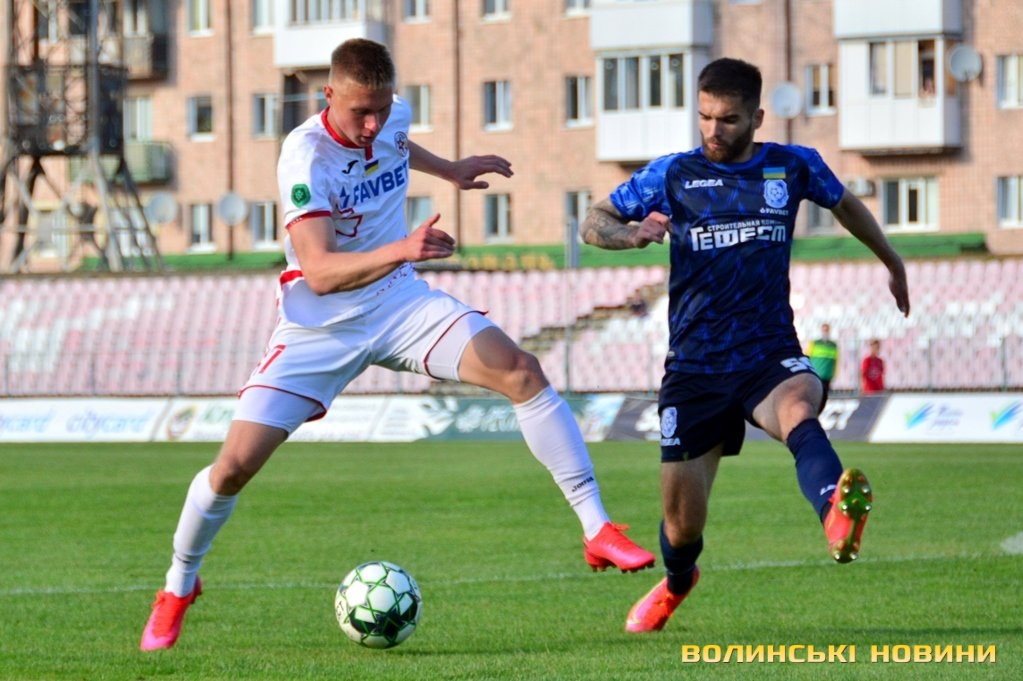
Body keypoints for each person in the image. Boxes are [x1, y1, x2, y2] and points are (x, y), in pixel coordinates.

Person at [139, 38, 654, 652]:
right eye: (360, 111)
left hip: (398, 303)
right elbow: (320, 272)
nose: (373, 124)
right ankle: (178, 585)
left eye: (382, 109)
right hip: (320, 326)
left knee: (521, 371)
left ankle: (597, 528)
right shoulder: (304, 157)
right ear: (328, 96)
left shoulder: (390, 118)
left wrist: (450, 170)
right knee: (232, 469)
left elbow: (398, 145)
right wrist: (403, 248)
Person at [579, 57, 910, 633]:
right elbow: (594, 220)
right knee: (681, 528)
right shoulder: (673, 174)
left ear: (756, 117)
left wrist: (891, 259)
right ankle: (678, 582)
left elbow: (846, 204)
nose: (713, 130)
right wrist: (631, 234)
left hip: (766, 350)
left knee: (799, 404)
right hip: (695, 366)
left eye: (728, 119)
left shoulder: (793, 166)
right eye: (705, 116)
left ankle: (835, 509)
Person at [806, 322, 839, 412]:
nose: (825, 332)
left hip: (827, 375)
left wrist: (834, 373)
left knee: (825, 397)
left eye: (827, 330)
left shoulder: (833, 345)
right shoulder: (815, 343)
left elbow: (836, 360)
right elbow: (808, 357)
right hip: (816, 374)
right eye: (824, 330)